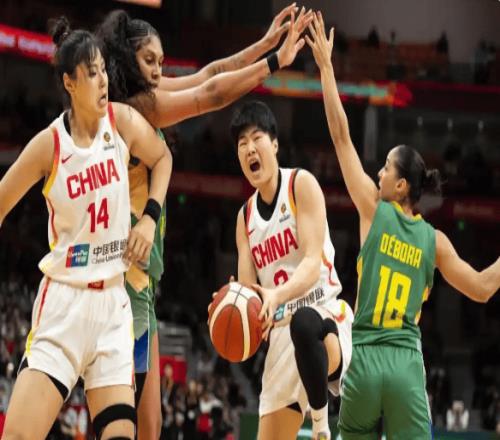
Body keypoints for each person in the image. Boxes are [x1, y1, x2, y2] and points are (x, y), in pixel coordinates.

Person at [96, 5, 313, 439]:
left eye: (161, 61)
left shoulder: (144, 96)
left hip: (140, 283)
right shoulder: (136, 108)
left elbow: (209, 73)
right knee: (128, 424)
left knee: (149, 425)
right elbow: (210, 94)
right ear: (126, 60)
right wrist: (274, 62)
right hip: (123, 280)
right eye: (149, 60)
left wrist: (264, 43)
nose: (158, 70)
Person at [306, 12, 500, 439]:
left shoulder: (374, 210)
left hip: (365, 359)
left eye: (385, 168)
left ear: (401, 186)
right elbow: (484, 288)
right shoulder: (435, 241)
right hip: (406, 365)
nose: (377, 173)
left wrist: (326, 68)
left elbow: (341, 136)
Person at [1, 17, 171, 440]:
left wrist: (149, 217)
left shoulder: (122, 122)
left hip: (112, 306)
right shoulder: (49, 144)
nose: (103, 81)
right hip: (65, 303)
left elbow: (163, 157)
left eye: (103, 71)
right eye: (91, 73)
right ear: (69, 83)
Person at [219, 100, 353, 440]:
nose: (250, 148)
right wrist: (232, 304)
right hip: (281, 337)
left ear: (275, 144)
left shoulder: (300, 185)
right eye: (242, 144)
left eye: (257, 138)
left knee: (304, 323)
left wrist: (277, 295)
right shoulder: (244, 219)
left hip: (323, 314)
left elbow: (311, 263)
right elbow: (251, 295)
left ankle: (321, 425)